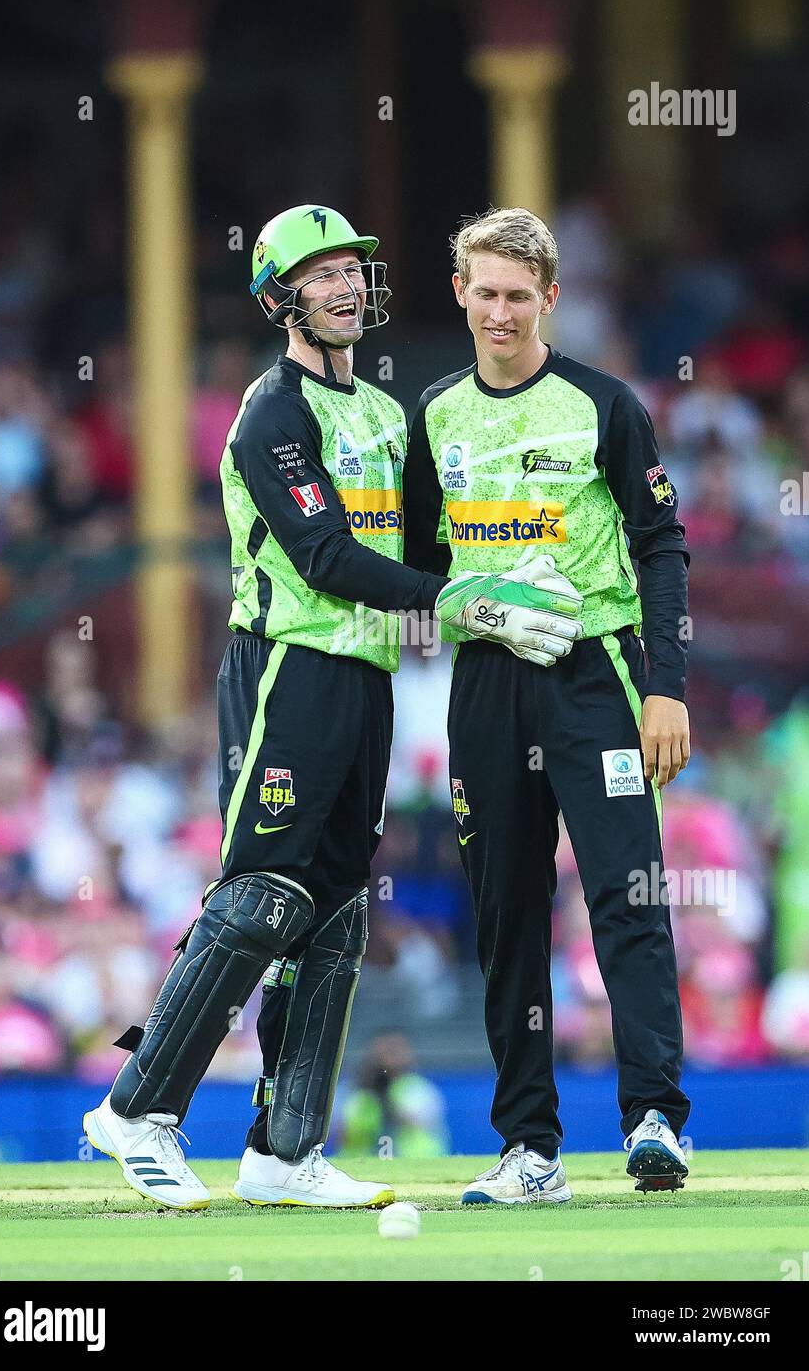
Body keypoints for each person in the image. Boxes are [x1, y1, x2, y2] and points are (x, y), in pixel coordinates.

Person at [83, 204, 584, 1210]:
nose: (344, 286)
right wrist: (451, 600)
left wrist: (509, 565)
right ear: (280, 298)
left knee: (339, 913)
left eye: (351, 267)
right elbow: (324, 558)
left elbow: (418, 553)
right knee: (262, 893)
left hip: (366, 678)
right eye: (318, 276)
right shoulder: (272, 413)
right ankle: (137, 1111)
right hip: (288, 669)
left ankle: (282, 1150)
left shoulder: (382, 415)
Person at [404, 206, 692, 1204]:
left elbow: (661, 545)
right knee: (505, 912)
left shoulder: (605, 405)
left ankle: (652, 1115)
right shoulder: (434, 413)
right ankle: (530, 1149)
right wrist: (455, 598)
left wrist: (664, 686)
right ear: (458, 293)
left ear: (549, 300)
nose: (497, 312)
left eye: (516, 296)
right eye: (481, 292)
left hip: (594, 671)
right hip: (487, 679)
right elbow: (411, 559)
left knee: (624, 894)